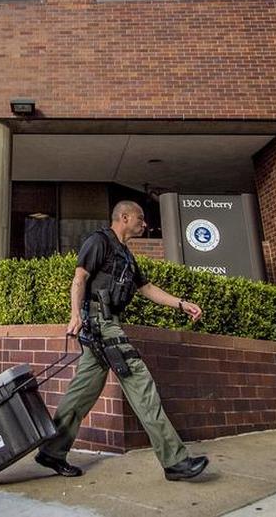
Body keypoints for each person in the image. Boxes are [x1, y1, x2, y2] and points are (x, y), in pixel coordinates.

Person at [35, 201, 210, 481]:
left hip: (106, 325)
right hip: (101, 325)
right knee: (141, 385)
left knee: (83, 392)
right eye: (140, 219)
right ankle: (175, 461)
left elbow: (146, 288)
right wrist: (75, 315)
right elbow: (80, 277)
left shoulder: (127, 255)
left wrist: (181, 303)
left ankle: (51, 452)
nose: (144, 224)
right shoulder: (99, 241)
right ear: (124, 217)